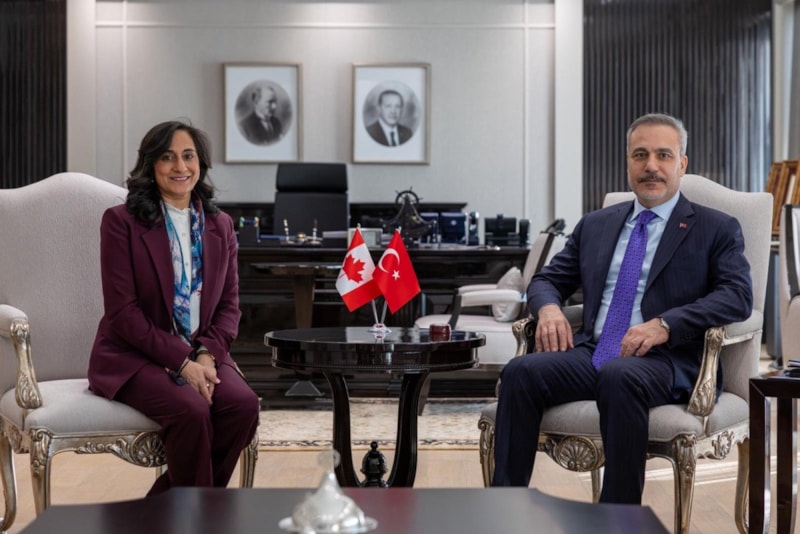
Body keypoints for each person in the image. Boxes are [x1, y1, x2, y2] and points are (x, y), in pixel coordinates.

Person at [491, 113, 753, 504]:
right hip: (594, 352)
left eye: (664, 155)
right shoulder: (595, 225)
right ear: (628, 162)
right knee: (520, 372)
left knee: (619, 376)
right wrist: (549, 310)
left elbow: (737, 295)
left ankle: (618, 517)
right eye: (640, 155)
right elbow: (547, 280)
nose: (651, 166)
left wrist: (665, 324)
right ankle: (503, 508)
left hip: (668, 360)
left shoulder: (715, 227)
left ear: (682, 164)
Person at [88, 120, 260, 495]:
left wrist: (207, 355)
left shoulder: (220, 225)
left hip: (201, 352)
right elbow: (123, 313)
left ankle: (163, 512)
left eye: (188, 156)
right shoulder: (120, 223)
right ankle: (197, 517)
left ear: (201, 164)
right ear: (150, 164)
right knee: (191, 410)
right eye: (167, 157)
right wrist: (182, 362)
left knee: (243, 405)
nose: (180, 167)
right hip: (134, 357)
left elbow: (229, 306)